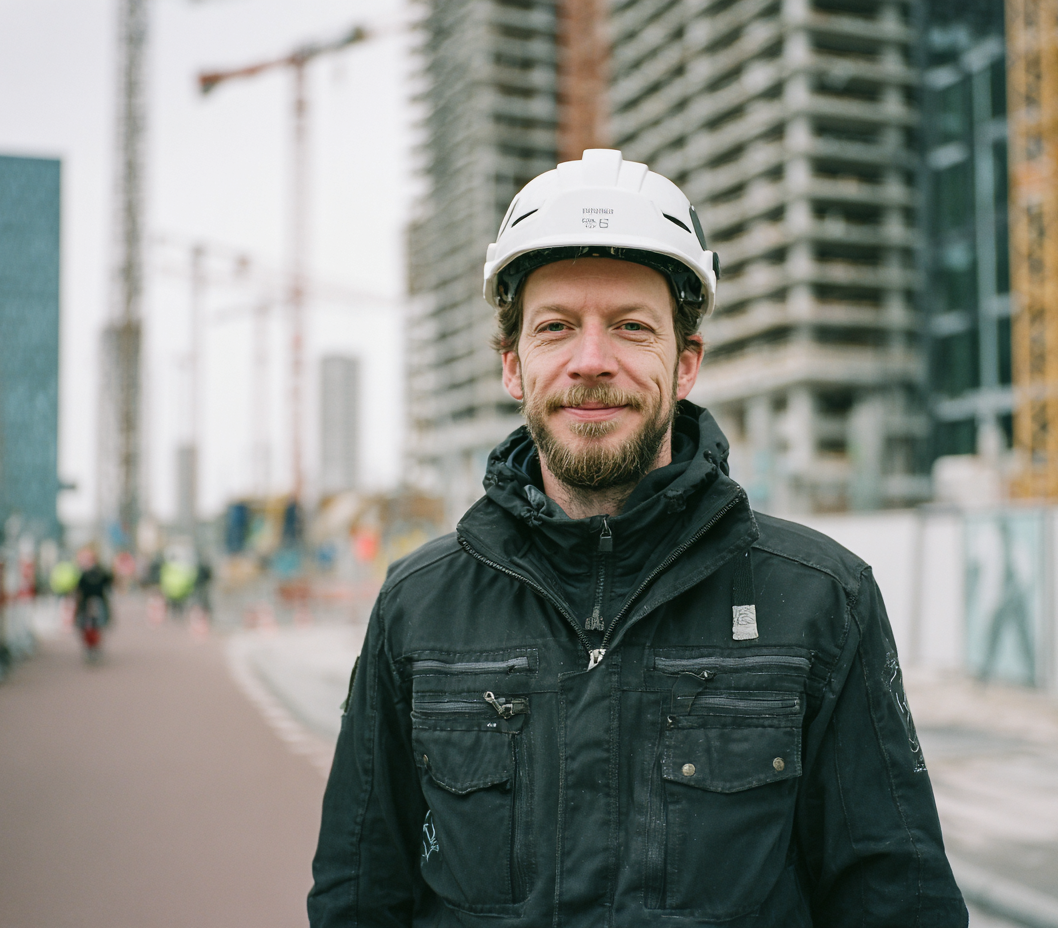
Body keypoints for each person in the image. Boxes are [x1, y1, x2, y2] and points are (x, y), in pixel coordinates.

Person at [309, 150, 967, 927]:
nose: (593, 361)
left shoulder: (824, 599)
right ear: (514, 365)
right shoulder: (417, 607)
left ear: (684, 362)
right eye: (556, 328)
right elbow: (358, 897)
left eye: (630, 327)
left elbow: (897, 902)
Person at [74, 547, 113, 660]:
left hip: (92, 603)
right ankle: (92, 647)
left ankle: (93, 647)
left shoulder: (92, 573)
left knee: (94, 626)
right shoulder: (92, 572)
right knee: (90, 626)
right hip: (90, 603)